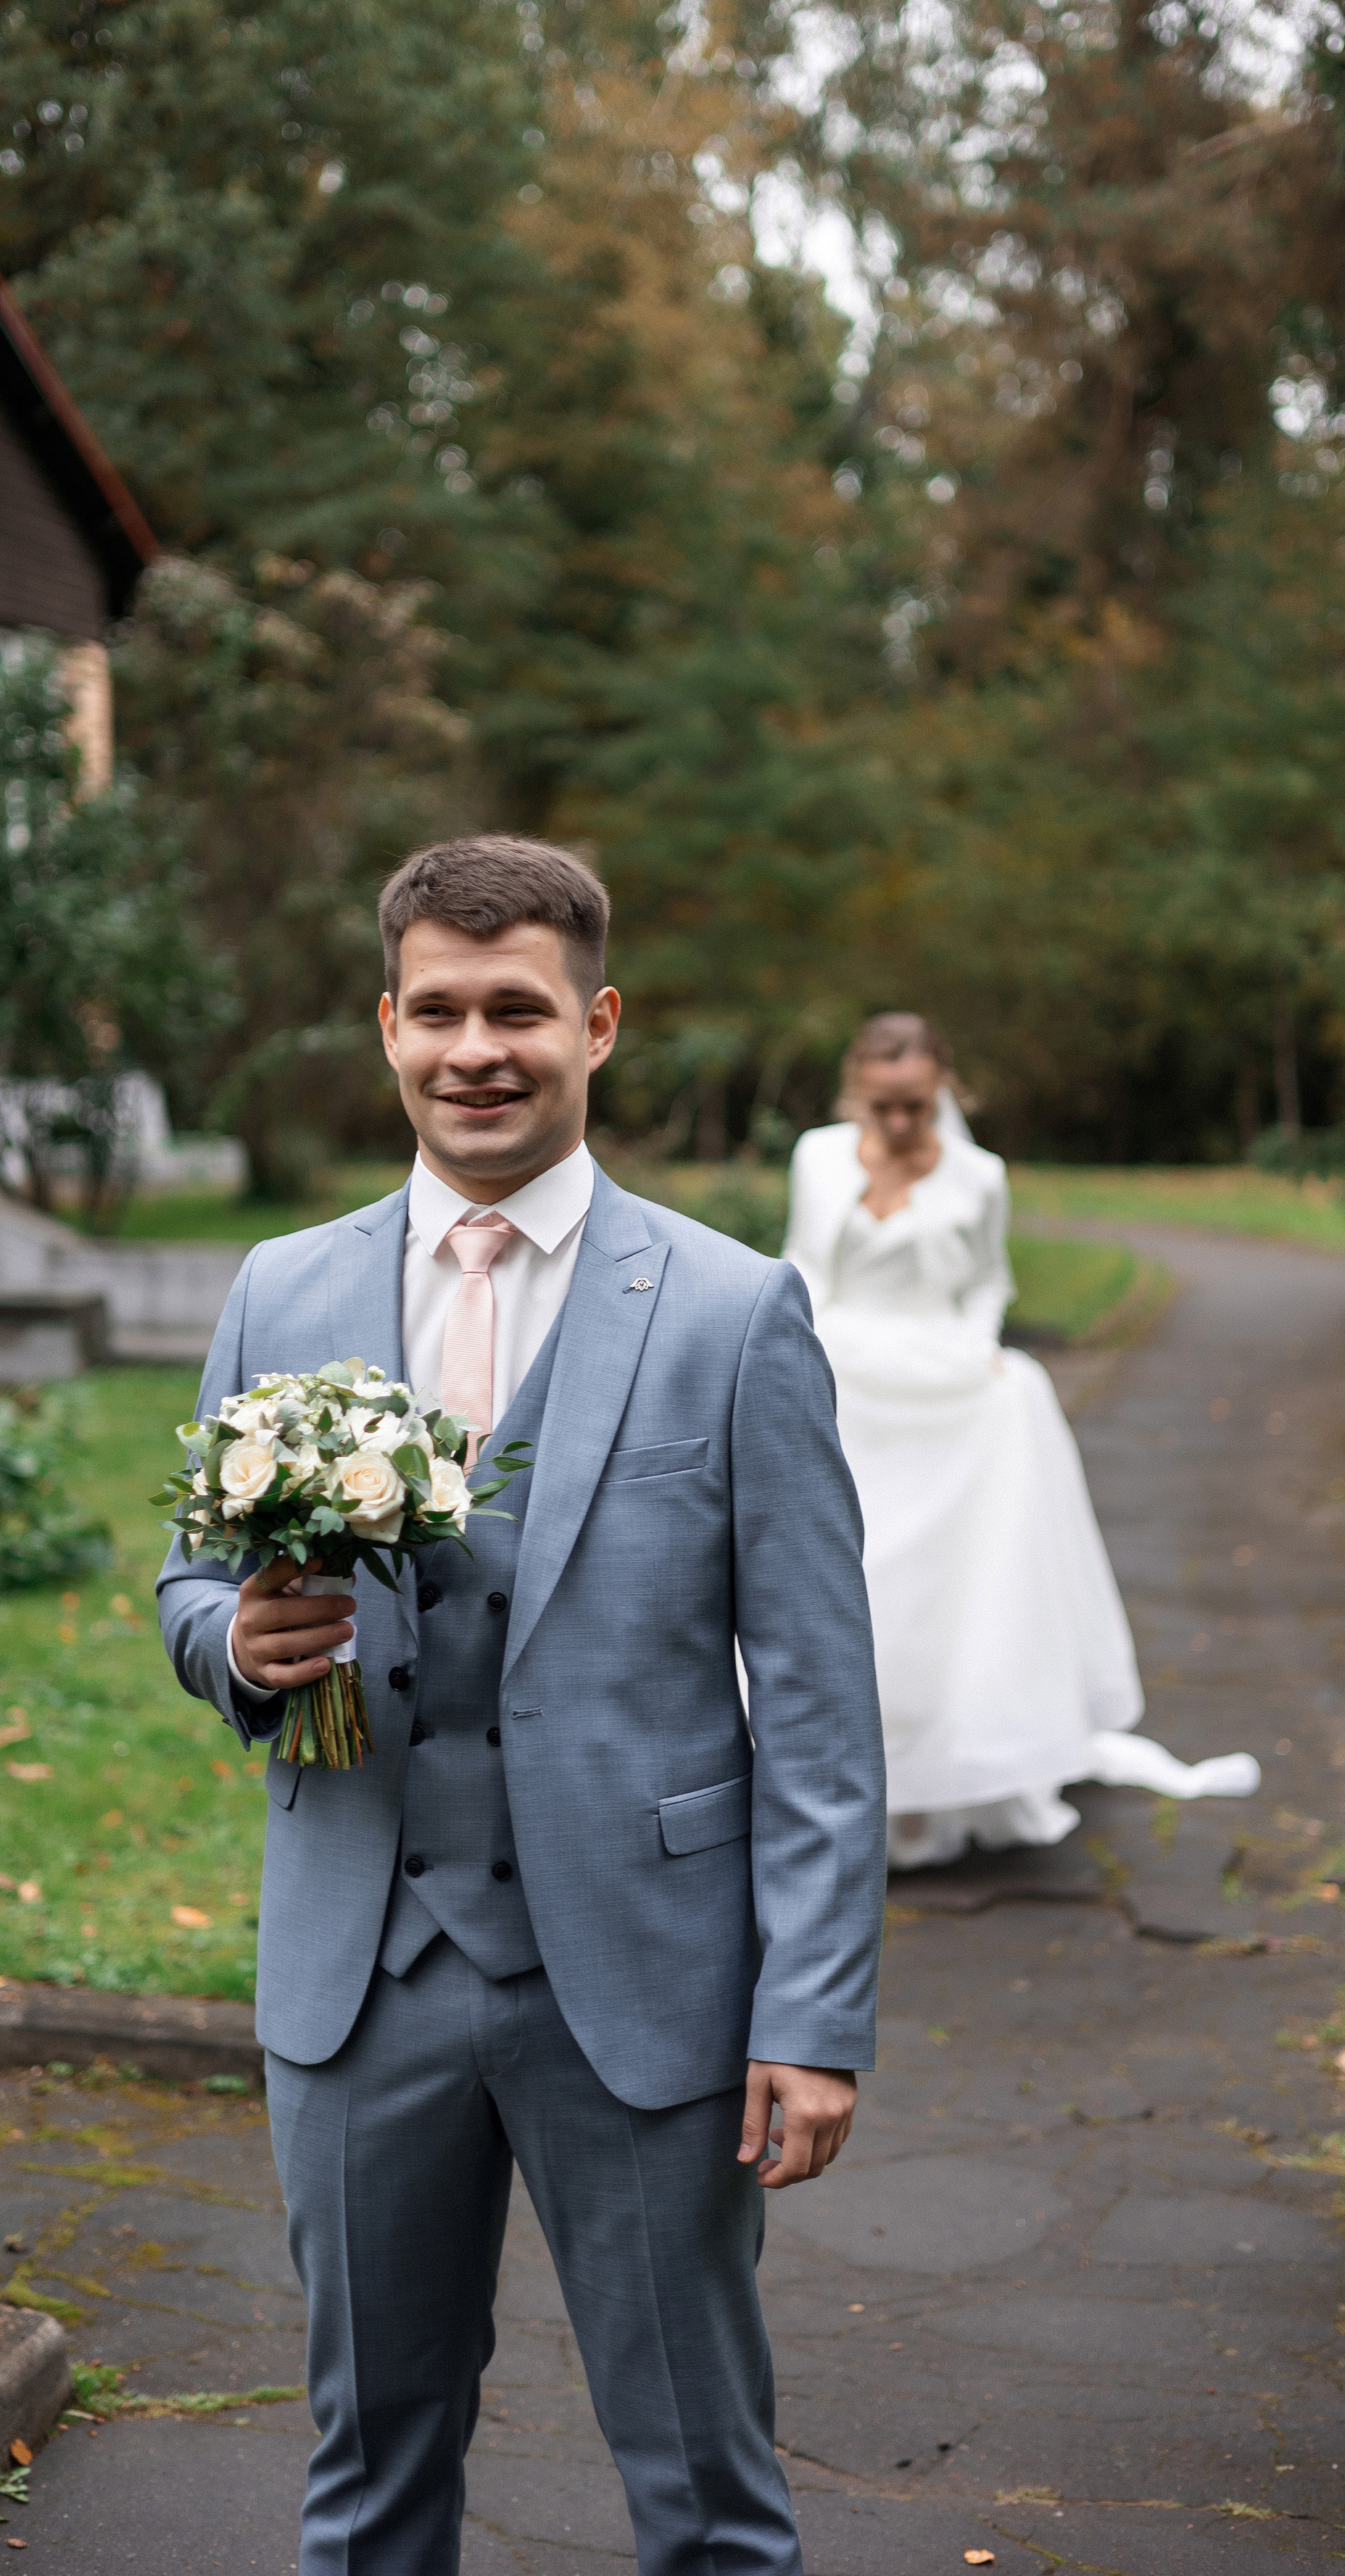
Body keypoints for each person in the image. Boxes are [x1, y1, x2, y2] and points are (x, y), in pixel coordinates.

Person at [157, 834, 886, 2576]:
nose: (474, 1047)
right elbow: (189, 1582)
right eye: (438, 1010)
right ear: (384, 1024)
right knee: (366, 2474)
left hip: (638, 1986)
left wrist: (811, 2009)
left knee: (702, 2487)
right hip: (358, 1975)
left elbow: (816, 1697)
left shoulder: (729, 1308)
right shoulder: (284, 1288)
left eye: (518, 1010)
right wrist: (231, 1645)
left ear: (597, 1023)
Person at [782, 1011, 1257, 1870]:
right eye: (882, 1106)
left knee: (971, 1541)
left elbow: (986, 1283)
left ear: (945, 1094)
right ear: (857, 1092)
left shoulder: (979, 1176)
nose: (897, 1125)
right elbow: (803, 1267)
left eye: (916, 1108)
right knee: (851, 1568)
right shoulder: (817, 1157)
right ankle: (836, 1772)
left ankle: (958, 1769)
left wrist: (975, 1353)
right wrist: (809, 1353)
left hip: (945, 1376)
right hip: (848, 1371)